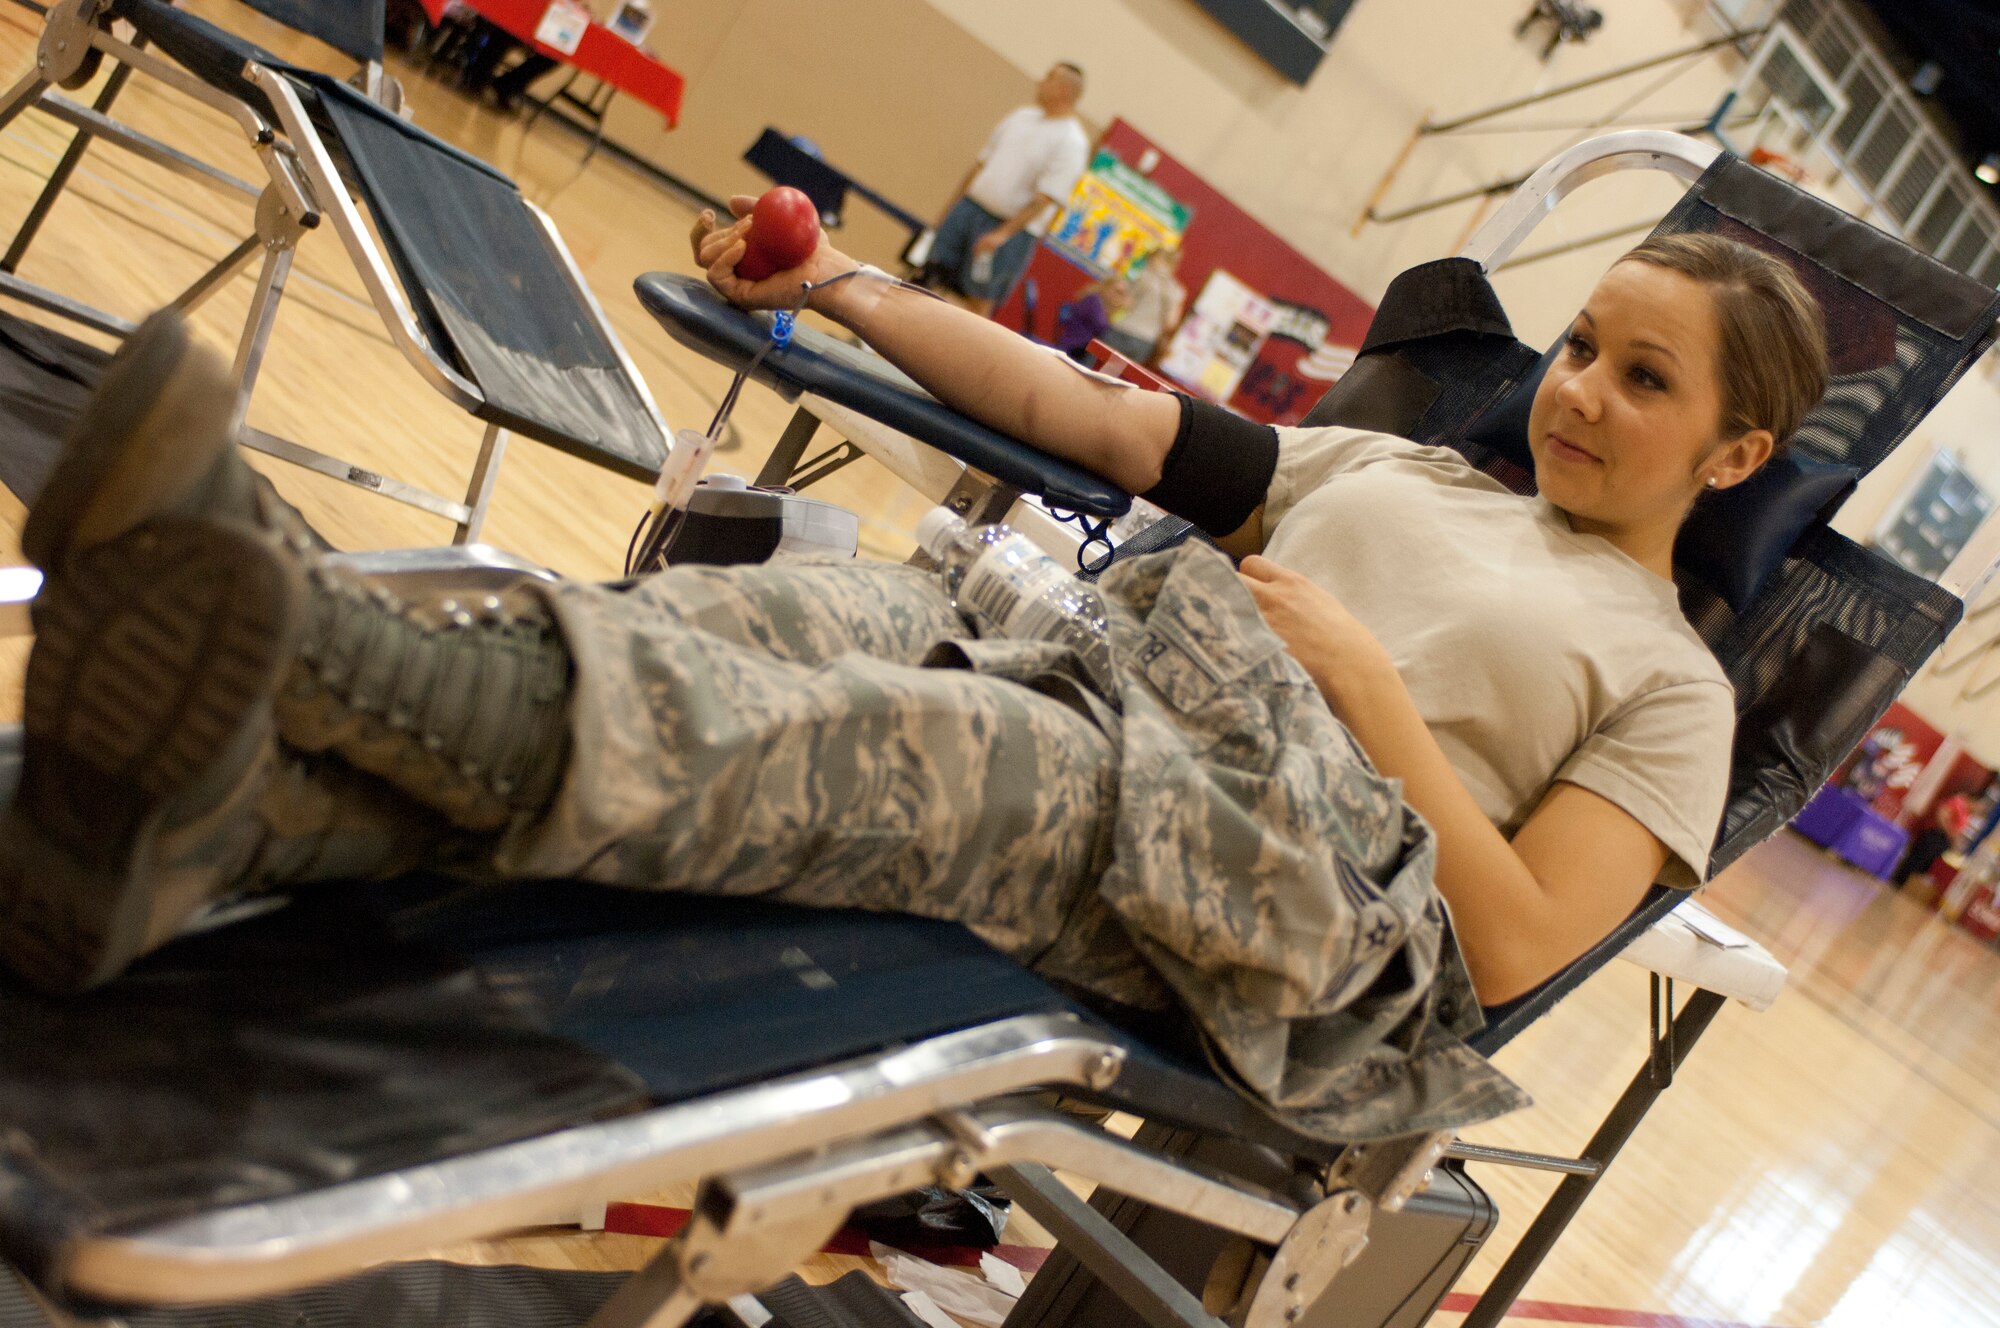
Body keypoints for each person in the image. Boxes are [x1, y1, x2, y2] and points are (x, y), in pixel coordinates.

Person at [0, 212, 1826, 1139]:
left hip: (1270, 877)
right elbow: (1090, 418)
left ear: (1734, 456)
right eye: (1582, 344)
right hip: (1100, 664)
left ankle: (282, 617)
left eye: (1644, 381)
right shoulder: (1399, 467)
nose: (1579, 391)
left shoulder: (1671, 687)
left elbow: (1508, 951)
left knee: (903, 741)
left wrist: (1369, 689)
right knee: (793, 620)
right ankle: (210, 809)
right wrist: (853, 289)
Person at [914, 64, 1091, 316]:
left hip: (1008, 230)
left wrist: (1001, 235)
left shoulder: (1072, 142)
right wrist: (951, 209)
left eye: (1049, 78)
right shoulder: (1021, 117)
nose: (1039, 81)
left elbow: (1044, 199)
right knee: (930, 273)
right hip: (970, 208)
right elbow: (980, 163)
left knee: (978, 299)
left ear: (1064, 91)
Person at [1101, 247, 1186, 365]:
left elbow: (1126, 303)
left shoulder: (1143, 277)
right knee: (1119, 380)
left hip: (1123, 330)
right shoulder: (1176, 291)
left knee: (1095, 367)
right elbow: (1170, 323)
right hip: (1145, 341)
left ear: (1157, 258)